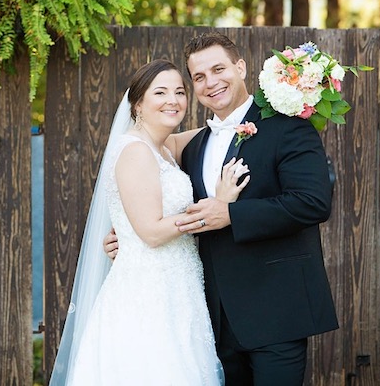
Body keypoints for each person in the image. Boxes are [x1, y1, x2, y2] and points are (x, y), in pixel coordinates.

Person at [105, 32, 339, 385]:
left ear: (240, 67)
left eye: (218, 69)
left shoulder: (288, 127)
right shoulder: (194, 146)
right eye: (198, 77)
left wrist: (230, 214)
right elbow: (151, 187)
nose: (210, 82)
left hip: (275, 311)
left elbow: (312, 202)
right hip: (210, 319)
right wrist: (127, 234)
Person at [49, 59, 250, 386]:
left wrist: (265, 107)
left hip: (180, 293)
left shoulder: (166, 146)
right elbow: (153, 232)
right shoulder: (135, 151)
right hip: (147, 296)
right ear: (138, 103)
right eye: (161, 92)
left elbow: (222, 128)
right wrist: (219, 206)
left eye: (180, 92)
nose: (173, 100)